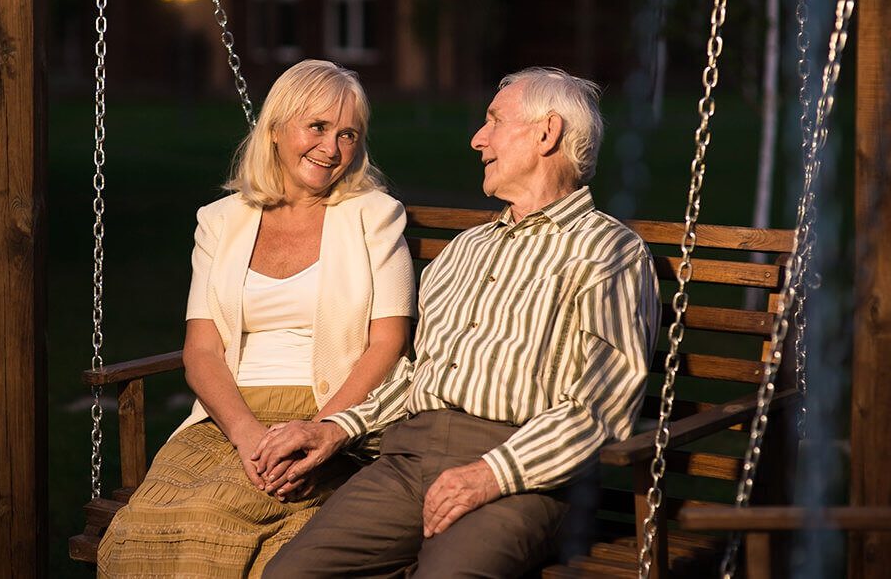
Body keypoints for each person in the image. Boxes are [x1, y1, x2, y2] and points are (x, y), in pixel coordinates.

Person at [255, 67, 661, 578]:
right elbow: (417, 375)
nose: (477, 139)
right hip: (406, 462)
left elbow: (602, 408)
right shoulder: (466, 249)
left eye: (493, 121)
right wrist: (335, 429)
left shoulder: (609, 253)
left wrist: (491, 473)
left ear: (546, 133)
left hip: (522, 473)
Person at [97, 59, 416, 578]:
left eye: (348, 134)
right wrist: (246, 434)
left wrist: (320, 431)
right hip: (229, 417)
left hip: (328, 411)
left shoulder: (374, 216)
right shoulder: (221, 221)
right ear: (275, 129)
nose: (331, 149)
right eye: (316, 127)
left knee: (248, 536)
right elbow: (200, 351)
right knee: (148, 528)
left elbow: (388, 343)